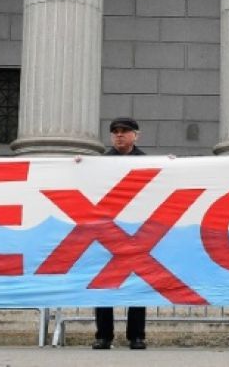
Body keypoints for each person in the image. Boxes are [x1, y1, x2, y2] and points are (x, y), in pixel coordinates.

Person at [93, 118, 147, 350]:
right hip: (109, 229)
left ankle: (136, 336)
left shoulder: (147, 162)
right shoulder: (100, 163)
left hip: (137, 229)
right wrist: (77, 166)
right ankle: (103, 335)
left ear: (136, 135)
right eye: (115, 131)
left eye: (124, 131)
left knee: (137, 284)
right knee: (104, 283)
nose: (119, 135)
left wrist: (171, 165)